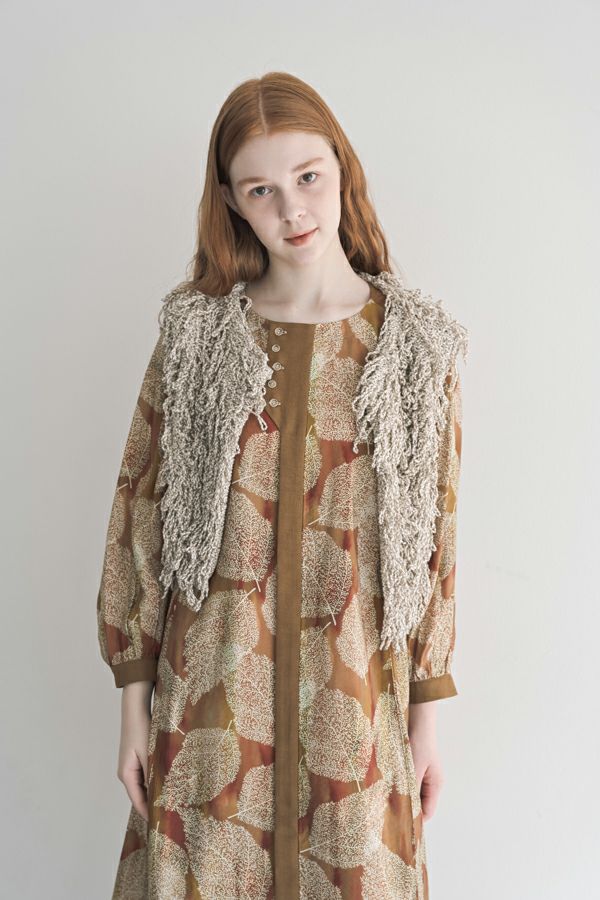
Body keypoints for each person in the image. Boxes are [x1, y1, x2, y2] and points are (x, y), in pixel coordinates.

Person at [96, 70, 468, 900]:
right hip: (210, 706)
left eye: (307, 177)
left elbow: (435, 542)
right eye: (261, 189)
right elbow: (138, 516)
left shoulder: (413, 347)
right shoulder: (196, 338)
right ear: (231, 201)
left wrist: (426, 722)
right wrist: (132, 706)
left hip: (359, 710)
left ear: (342, 169)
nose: (292, 209)